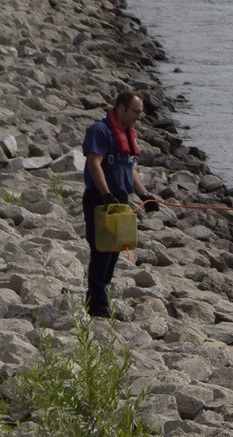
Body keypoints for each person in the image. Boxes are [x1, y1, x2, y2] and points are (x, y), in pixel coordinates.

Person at [81, 90, 160, 318]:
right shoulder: (100, 131)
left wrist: (145, 195)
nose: (139, 116)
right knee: (101, 250)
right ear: (121, 108)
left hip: (121, 201)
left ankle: (99, 298)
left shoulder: (129, 134)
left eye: (140, 112)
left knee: (115, 249)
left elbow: (129, 168)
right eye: (135, 111)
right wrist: (105, 195)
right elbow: (95, 164)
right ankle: (98, 306)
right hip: (100, 200)